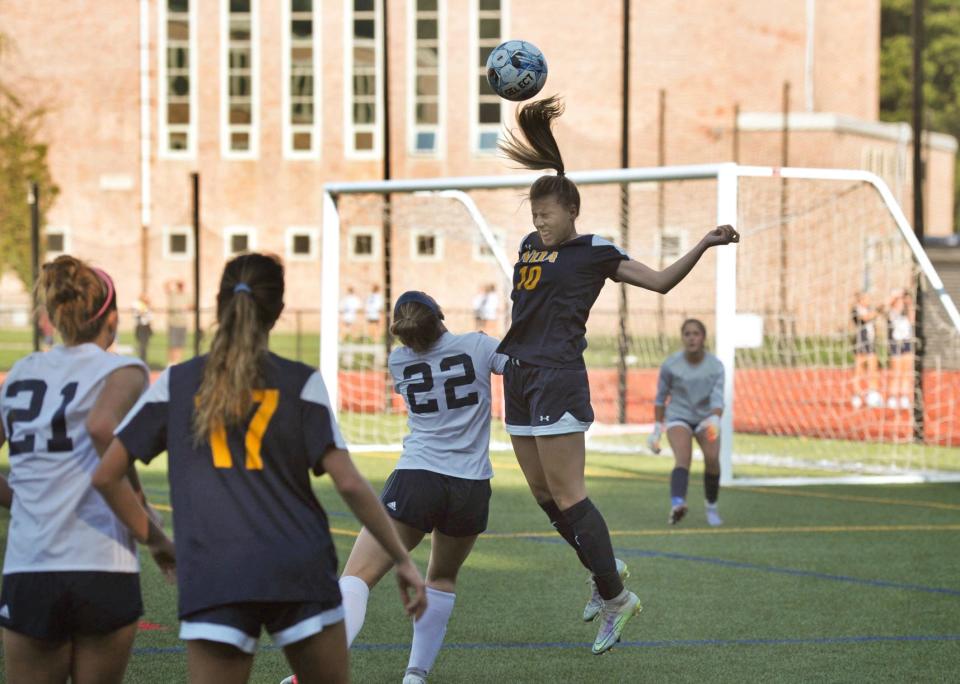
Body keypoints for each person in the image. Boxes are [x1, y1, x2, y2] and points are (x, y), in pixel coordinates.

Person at [92, 253, 426, 684]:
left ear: (218, 305)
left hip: (214, 568)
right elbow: (348, 481)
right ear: (280, 311)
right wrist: (401, 559)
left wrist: (156, 541)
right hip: (297, 563)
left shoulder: (177, 383)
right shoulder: (300, 382)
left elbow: (106, 475)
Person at [495, 95, 738, 654]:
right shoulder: (531, 245)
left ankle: (615, 596)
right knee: (540, 492)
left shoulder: (595, 252)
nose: (539, 223)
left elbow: (658, 283)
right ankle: (604, 568)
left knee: (569, 490)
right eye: (535, 215)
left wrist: (702, 242)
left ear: (570, 212)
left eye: (547, 214)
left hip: (557, 376)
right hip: (520, 376)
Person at [283, 290, 508, 684]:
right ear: (439, 314)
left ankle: (310, 677)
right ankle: (415, 676)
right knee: (441, 579)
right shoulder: (478, 345)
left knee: (357, 577)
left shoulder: (399, 359)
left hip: (417, 478)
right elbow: (519, 362)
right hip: (471, 485)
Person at [0, 255, 167, 684]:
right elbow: (103, 430)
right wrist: (153, 535)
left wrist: (24, 501)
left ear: (53, 316)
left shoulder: (21, 373)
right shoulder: (123, 369)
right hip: (100, 562)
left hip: (30, 563)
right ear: (110, 318)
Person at [647, 319, 725, 527]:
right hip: (678, 416)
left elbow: (718, 399)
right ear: (682, 337)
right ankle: (678, 504)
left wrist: (715, 419)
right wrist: (656, 430)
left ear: (703, 337)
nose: (691, 338)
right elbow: (660, 398)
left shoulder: (715, 366)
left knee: (712, 458)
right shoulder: (671, 365)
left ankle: (711, 506)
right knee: (683, 458)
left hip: (706, 418)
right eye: (687, 334)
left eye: (696, 333)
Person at [851, 291, 882, 408]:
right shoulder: (855, 310)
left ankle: (872, 394)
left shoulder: (870, 309)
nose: (868, 301)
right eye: (866, 299)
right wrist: (878, 311)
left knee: (873, 369)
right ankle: (857, 395)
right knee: (859, 370)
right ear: (860, 300)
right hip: (861, 342)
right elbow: (865, 319)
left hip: (871, 342)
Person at [885, 288, 914, 410]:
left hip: (906, 342)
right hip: (895, 342)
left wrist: (908, 301)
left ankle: (904, 397)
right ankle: (892, 397)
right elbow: (886, 305)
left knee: (906, 372)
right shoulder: (892, 312)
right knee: (896, 372)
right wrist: (895, 295)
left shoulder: (907, 313)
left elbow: (913, 317)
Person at [165, 279, 189, 365]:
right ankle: (171, 362)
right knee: (173, 344)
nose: (181, 287)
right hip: (173, 322)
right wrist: (175, 280)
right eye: (179, 285)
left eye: (181, 285)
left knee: (181, 344)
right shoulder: (173, 294)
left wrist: (186, 308)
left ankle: (178, 361)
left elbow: (192, 305)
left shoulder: (186, 296)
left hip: (183, 323)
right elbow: (166, 286)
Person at [132, 294, 153, 364]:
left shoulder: (147, 306)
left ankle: (144, 360)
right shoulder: (138, 305)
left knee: (145, 345)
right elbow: (138, 314)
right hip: (141, 326)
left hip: (147, 326)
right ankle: (141, 360)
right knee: (142, 345)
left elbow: (150, 317)